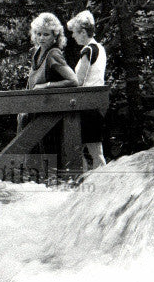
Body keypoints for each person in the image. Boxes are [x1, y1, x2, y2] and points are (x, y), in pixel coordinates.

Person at [20, 13, 79, 175]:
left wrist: (46, 86)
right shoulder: (37, 52)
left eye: (46, 34)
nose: (41, 38)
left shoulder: (53, 54)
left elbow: (73, 80)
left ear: (55, 36)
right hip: (35, 112)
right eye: (38, 34)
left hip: (50, 115)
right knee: (35, 162)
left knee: (50, 160)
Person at [67, 10, 108, 170]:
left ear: (83, 32)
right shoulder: (100, 48)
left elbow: (78, 80)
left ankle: (89, 182)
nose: (73, 36)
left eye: (75, 33)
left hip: (86, 105)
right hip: (96, 103)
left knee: (87, 150)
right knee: (95, 150)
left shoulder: (88, 50)